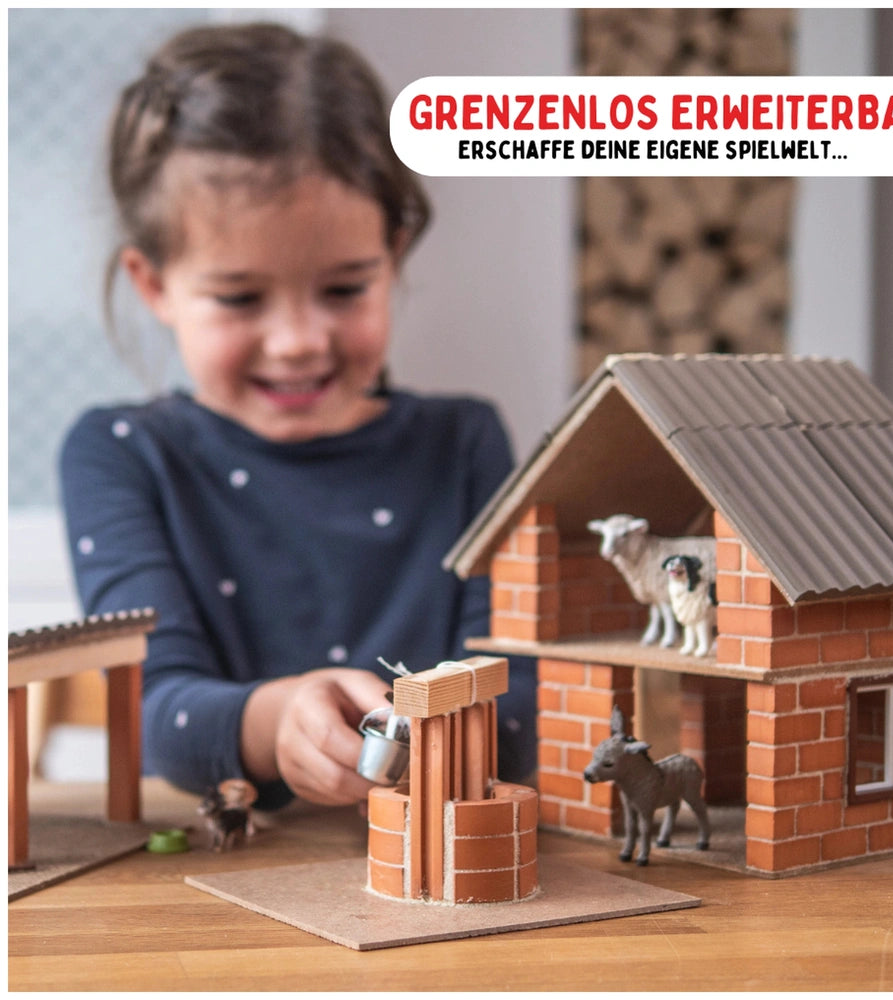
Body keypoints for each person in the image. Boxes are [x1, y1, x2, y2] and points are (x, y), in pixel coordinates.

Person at [59, 21, 536, 812]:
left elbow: (522, 693)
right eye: (240, 298)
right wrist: (280, 719)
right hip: (224, 894)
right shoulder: (120, 454)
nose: (298, 342)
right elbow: (153, 712)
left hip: (447, 888)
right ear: (153, 284)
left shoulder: (466, 443)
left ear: (396, 252)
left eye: (346, 288)